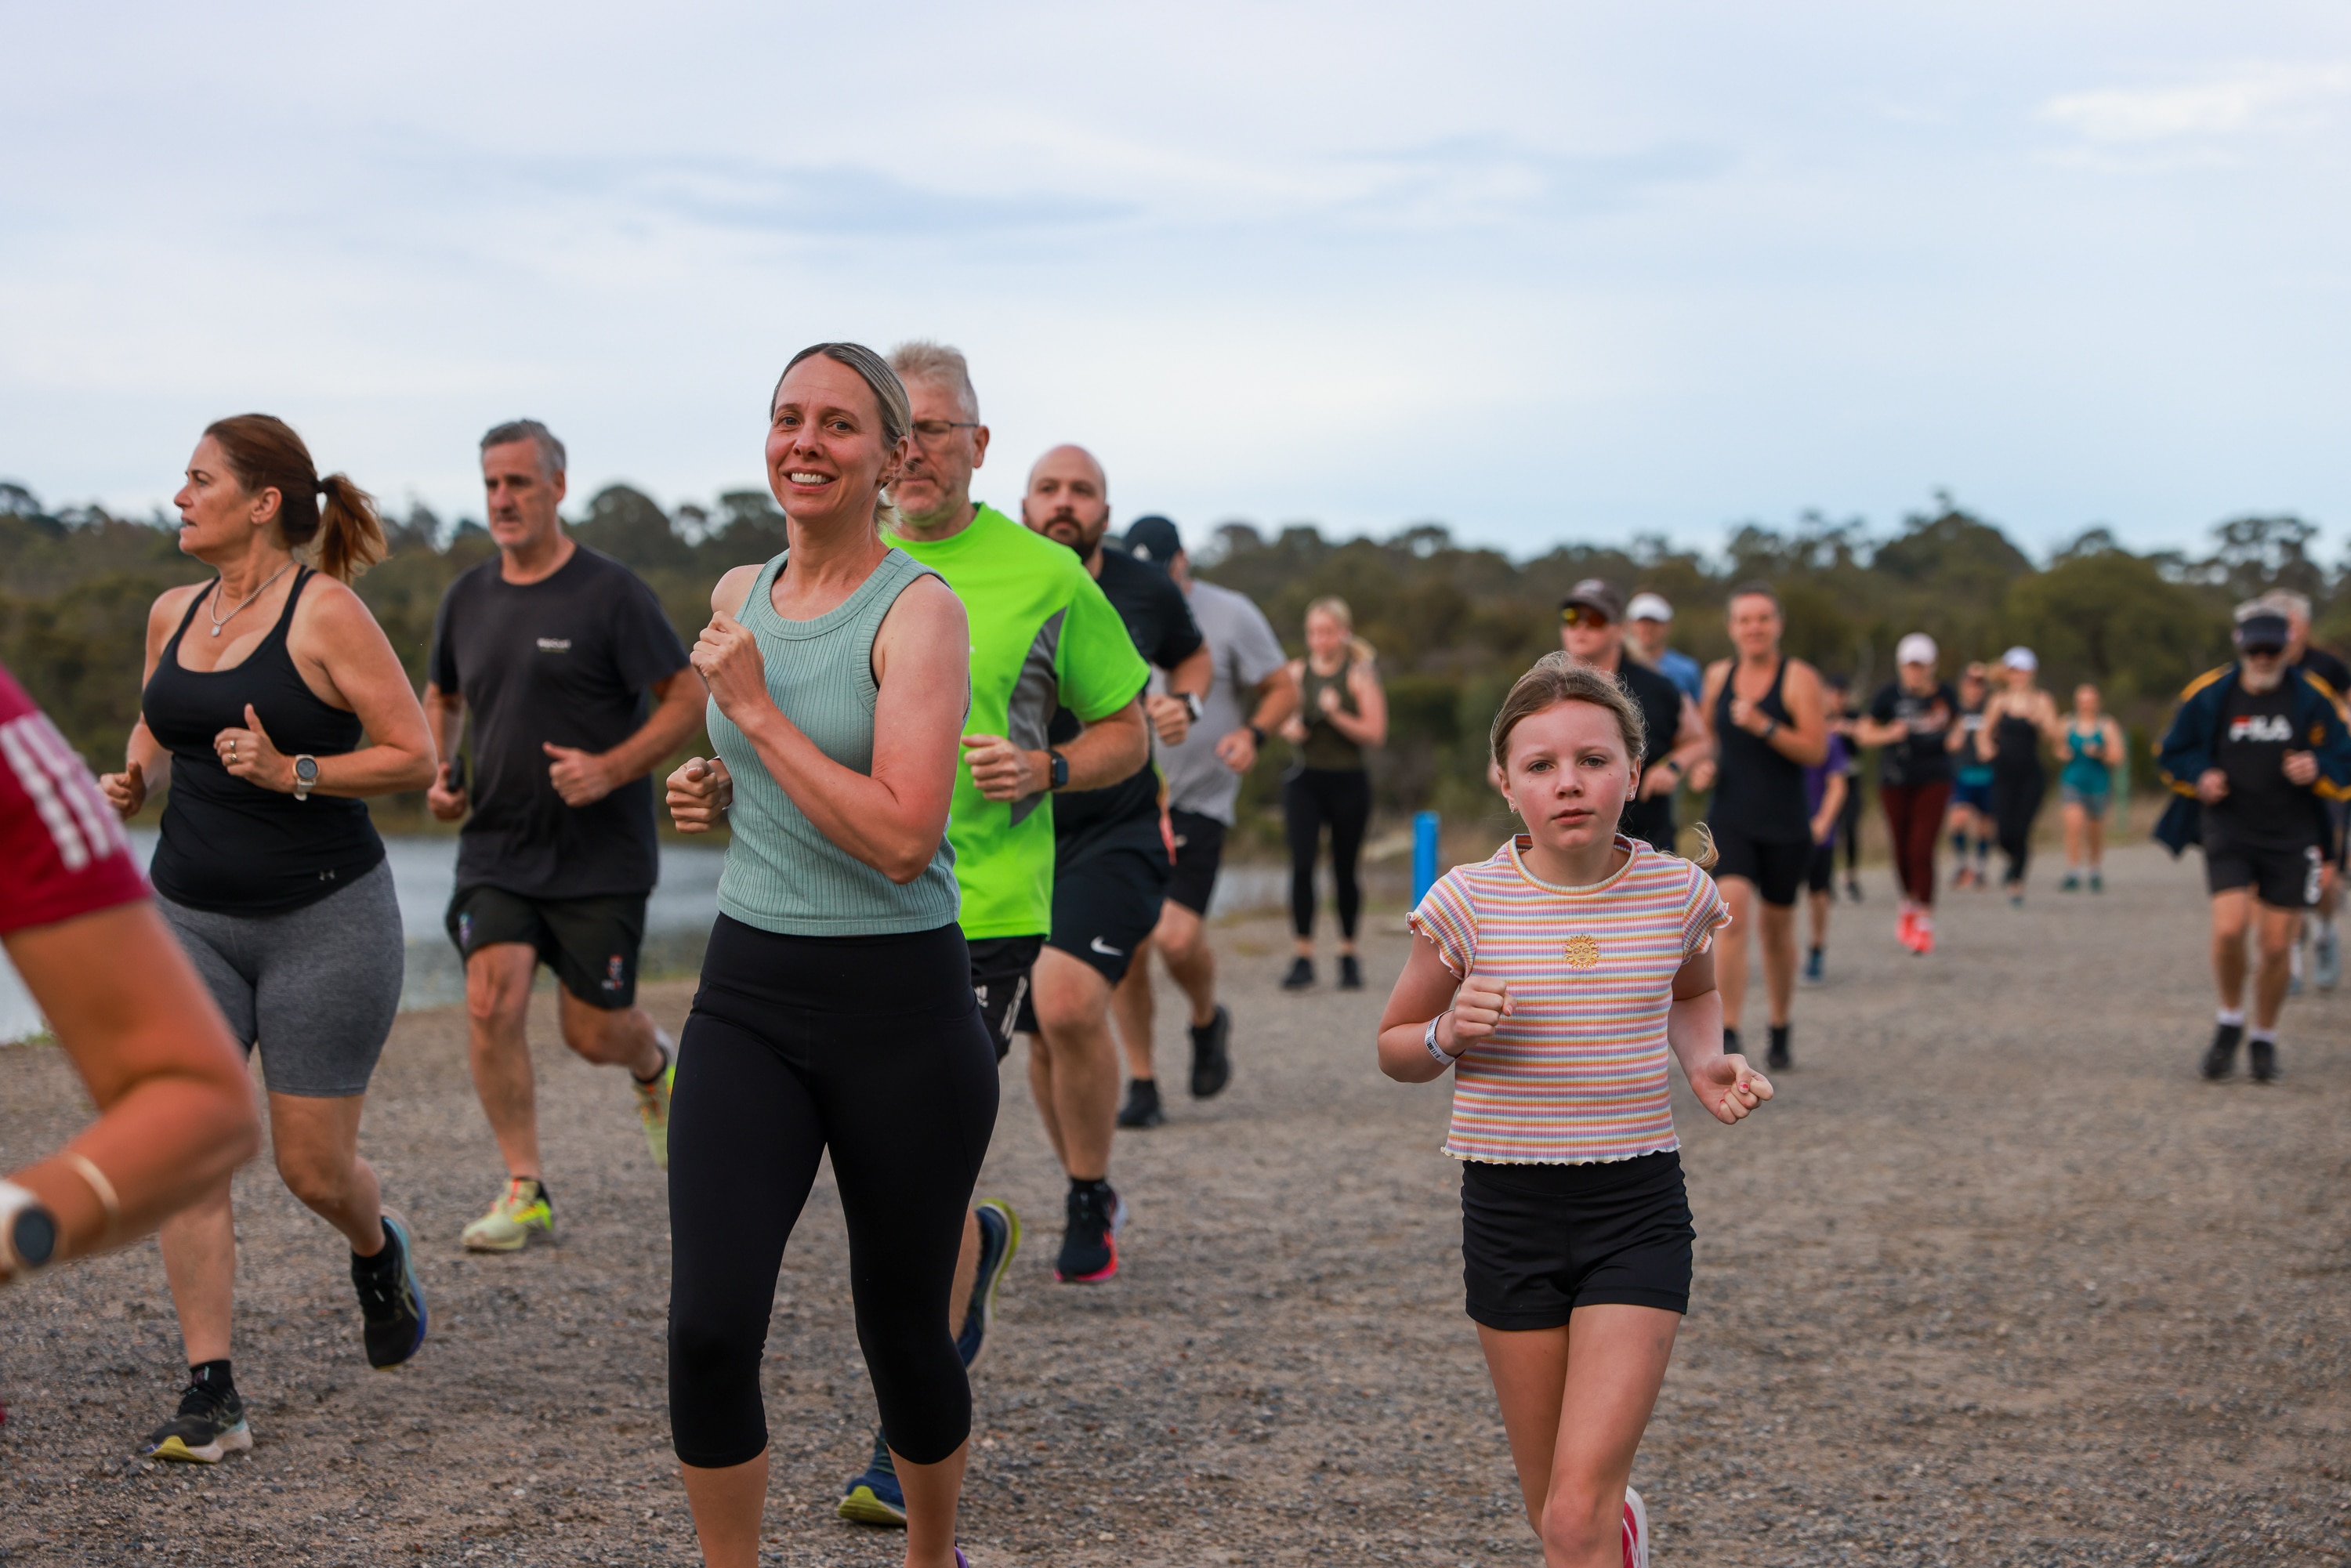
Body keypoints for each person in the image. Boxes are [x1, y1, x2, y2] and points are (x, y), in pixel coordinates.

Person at [660, 342, 995, 1568]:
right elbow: (769, 774)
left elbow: (906, 836)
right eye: (787, 417)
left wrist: (753, 716)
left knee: (902, 1330)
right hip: (748, 993)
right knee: (707, 1326)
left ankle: (930, 1551)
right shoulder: (735, 591)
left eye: (839, 425)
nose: (806, 441)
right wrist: (714, 779)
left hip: (901, 1012)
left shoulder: (921, 610)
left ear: (894, 455)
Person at [829, 341, 1150, 1522]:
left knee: (914, 1175)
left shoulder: (1047, 578)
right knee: (880, 1179)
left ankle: (896, 1438)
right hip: (841, 906)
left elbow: (1129, 729)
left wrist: (1049, 763)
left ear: (979, 443)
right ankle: (977, 1253)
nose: (912, 448)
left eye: (936, 427)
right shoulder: (836, 564)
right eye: (893, 426)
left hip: (985, 913)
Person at [1376, 653, 1770, 1568]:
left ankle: (1603, 1528)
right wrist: (1446, 1032)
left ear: (1634, 772)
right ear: (1506, 782)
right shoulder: (1466, 903)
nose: (1570, 783)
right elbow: (1393, 1046)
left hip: (1636, 1208)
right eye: (1542, 764)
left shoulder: (1679, 892)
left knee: (1573, 1518)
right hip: (1507, 1212)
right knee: (1550, 1508)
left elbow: (1690, 991)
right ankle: (1615, 1531)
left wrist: (1705, 1063)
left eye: (1593, 760)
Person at [95, 415, 437, 1463]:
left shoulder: (326, 613)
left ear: (263, 503)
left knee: (312, 1168)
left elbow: (413, 754)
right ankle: (213, 1392)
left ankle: (377, 1251)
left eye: (199, 480)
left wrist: (294, 770)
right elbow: (163, 714)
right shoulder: (173, 610)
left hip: (324, 921)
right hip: (188, 916)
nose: (179, 496)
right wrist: (137, 773)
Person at [422, 420, 704, 1251]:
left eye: (518, 483)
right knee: (489, 997)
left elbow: (685, 698)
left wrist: (612, 769)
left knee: (591, 1034)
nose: (502, 500)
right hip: (498, 846)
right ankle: (525, 1188)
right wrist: (442, 769)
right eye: (491, 485)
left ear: (557, 486)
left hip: (600, 856)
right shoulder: (466, 597)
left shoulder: (610, 594)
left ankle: (652, 1060)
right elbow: (442, 694)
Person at [2, 662, 259, 1295]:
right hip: (189, 892)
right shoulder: (175, 617)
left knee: (319, 1173)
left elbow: (204, 1102)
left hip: (307, 898)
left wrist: (20, 1219)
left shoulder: (13, 745)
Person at [1019, 445, 1211, 1280]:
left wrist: (1185, 701)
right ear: (1024, 502)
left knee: (1064, 1005)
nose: (1065, 503)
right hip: (1014, 835)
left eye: (1082, 491)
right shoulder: (991, 574)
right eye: (1049, 489)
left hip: (1121, 826)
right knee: (1038, 1030)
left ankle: (1089, 1190)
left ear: (1105, 507)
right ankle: (1083, 1185)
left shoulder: (1142, 585)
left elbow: (1191, 655)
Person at [1110, 515, 1296, 1130]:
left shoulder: (1232, 613)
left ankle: (1206, 1017)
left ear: (1183, 562)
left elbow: (1280, 687)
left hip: (1203, 798)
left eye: (1166, 572)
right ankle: (1142, 1080)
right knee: (1128, 946)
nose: (1157, 583)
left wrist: (1253, 733)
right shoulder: (1109, 604)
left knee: (1176, 937)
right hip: (1129, 798)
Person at [2156, 605, 2351, 1085]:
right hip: (2230, 826)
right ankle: (2229, 1020)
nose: (2263, 659)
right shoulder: (2210, 695)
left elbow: (2344, 760)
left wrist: (2318, 769)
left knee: (2277, 946)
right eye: (2254, 650)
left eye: (2272, 650)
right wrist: (2199, 776)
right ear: (2240, 646)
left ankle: (2264, 1035)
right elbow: (2171, 753)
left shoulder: (2312, 697)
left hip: (2293, 834)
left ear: (2288, 648)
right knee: (2229, 928)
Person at [1690, 583, 1830, 1070]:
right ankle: (1727, 1030)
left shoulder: (1798, 679)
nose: (1754, 628)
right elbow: (1705, 737)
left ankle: (1780, 1023)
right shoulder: (1718, 676)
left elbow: (1816, 750)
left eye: (1763, 619)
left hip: (1785, 822)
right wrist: (1702, 766)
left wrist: (1765, 726)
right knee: (1732, 914)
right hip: (1730, 815)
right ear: (1731, 627)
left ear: (1778, 625)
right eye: (1745, 620)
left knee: (1775, 932)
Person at [1279, 597, 1389, 990]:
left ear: (1343, 632)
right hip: (1306, 780)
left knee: (1344, 869)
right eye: (1313, 632)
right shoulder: (1296, 672)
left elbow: (1375, 733)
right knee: (1302, 865)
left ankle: (1347, 954)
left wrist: (1336, 713)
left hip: (1349, 782)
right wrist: (1289, 725)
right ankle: (1303, 955)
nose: (1319, 640)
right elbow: (1280, 714)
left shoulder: (1359, 675)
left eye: (1327, 631)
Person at [1557, 579, 1707, 856]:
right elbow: (1501, 767)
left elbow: (1699, 741)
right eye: (1572, 617)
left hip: (1648, 842)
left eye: (1595, 619)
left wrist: (1672, 767)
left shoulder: (1659, 687)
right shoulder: (1546, 690)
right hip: (1569, 848)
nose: (1581, 627)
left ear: (1619, 630)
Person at [2261, 590, 2348, 991]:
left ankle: (2326, 932)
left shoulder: (2326, 667)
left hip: (2322, 781)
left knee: (2325, 877)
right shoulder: (2255, 670)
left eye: (2290, 623)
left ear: (2304, 627)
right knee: (2281, 873)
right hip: (2272, 788)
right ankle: (2289, 954)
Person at [1851, 634, 1958, 953]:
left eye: (1921, 666)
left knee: (1921, 847)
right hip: (1896, 779)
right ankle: (1908, 904)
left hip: (1934, 778)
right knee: (1900, 847)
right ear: (1901, 667)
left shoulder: (1944, 696)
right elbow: (1863, 735)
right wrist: (1888, 733)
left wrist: (1957, 737)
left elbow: (1959, 723)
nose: (1916, 672)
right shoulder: (1888, 696)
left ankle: (1925, 917)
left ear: (1932, 667)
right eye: (1910, 666)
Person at [1976, 647, 2057, 907]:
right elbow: (1983, 731)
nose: (2019, 676)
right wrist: (1985, 747)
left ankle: (2016, 883)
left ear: (2031, 673)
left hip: (2030, 775)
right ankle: (2011, 859)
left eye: (2023, 670)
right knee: (2003, 832)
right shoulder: (1999, 701)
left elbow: (2054, 734)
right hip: (2003, 774)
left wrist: (2043, 722)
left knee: (2021, 829)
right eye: (2014, 670)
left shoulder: (2042, 701)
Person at [2055, 683, 2125, 893]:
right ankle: (2073, 870)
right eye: (2082, 702)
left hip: (2097, 784)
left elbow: (2118, 757)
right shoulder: (2067, 723)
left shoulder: (2106, 725)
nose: (2086, 706)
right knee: (2073, 824)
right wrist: (2062, 752)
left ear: (2097, 703)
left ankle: (2094, 868)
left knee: (2094, 830)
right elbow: (2057, 746)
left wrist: (2100, 752)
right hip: (2072, 781)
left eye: (2090, 702)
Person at [1802, 721, 1851, 983]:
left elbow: (1838, 784)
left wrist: (1824, 820)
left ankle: (1817, 948)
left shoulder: (1828, 741)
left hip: (1818, 830)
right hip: (1783, 829)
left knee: (1818, 892)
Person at [1947, 663, 1998, 890]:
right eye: (1971, 684)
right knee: (1958, 818)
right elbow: (1949, 743)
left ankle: (1980, 868)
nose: (1975, 689)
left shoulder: (1992, 710)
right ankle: (1962, 864)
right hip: (1961, 773)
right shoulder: (1954, 711)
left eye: (1980, 685)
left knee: (1984, 824)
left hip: (1986, 773)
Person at [1625, 592, 1704, 702]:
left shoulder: (1687, 669)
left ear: (1668, 626)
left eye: (1654, 623)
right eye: (1642, 622)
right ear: (1630, 624)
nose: (1647, 629)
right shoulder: (1617, 665)